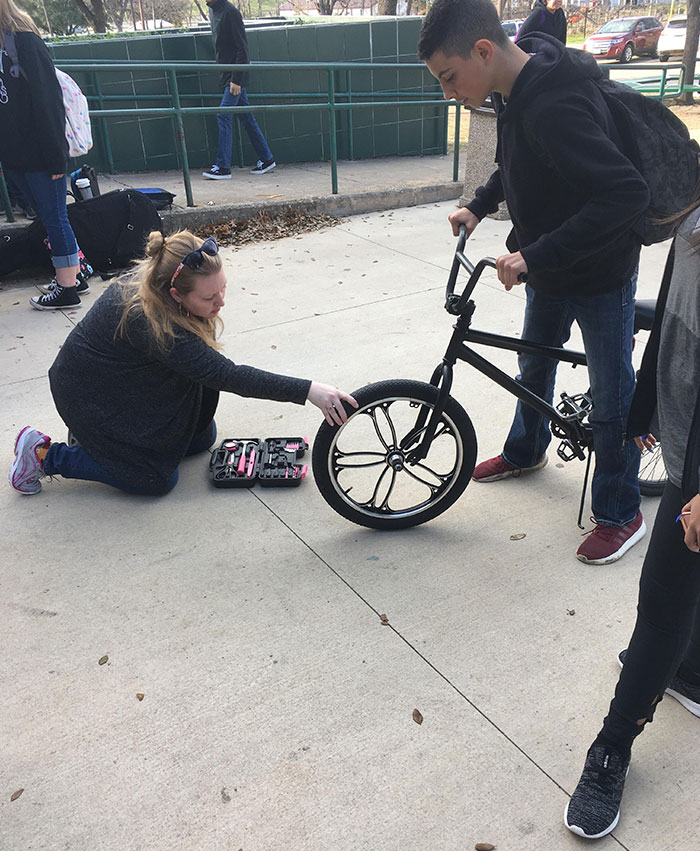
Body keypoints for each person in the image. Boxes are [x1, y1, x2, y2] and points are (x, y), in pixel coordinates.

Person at [418, 0, 649, 564]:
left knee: (612, 395)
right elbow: (517, 162)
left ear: (483, 50)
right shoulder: (515, 92)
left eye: (449, 77)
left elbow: (627, 193)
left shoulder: (557, 104)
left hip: (598, 271)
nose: (449, 93)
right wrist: (478, 206)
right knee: (534, 364)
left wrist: (532, 255)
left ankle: (622, 512)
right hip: (549, 265)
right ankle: (527, 449)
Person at [9, 230, 357, 497]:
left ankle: (104, 444)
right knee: (155, 479)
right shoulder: (150, 322)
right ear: (176, 294)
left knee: (201, 438)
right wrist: (310, 391)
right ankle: (42, 455)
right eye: (209, 297)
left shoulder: (159, 283)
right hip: (89, 397)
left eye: (222, 290)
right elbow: (228, 375)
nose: (220, 302)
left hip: (118, 385)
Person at [565, 201, 700, 839]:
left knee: (663, 600)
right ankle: (689, 672)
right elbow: (673, 316)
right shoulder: (693, 215)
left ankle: (612, 745)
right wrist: (644, 407)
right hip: (682, 441)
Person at [0, 0, 86, 310]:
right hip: (15, 155)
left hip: (38, 153)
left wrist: (55, 158)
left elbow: (49, 103)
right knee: (50, 219)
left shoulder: (24, 41)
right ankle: (75, 274)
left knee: (54, 219)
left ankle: (67, 289)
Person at [202, 0, 276, 180]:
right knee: (245, 116)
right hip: (228, 74)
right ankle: (267, 158)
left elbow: (242, 49)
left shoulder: (230, 12)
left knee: (224, 114)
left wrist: (236, 79)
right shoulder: (215, 11)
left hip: (234, 78)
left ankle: (223, 167)